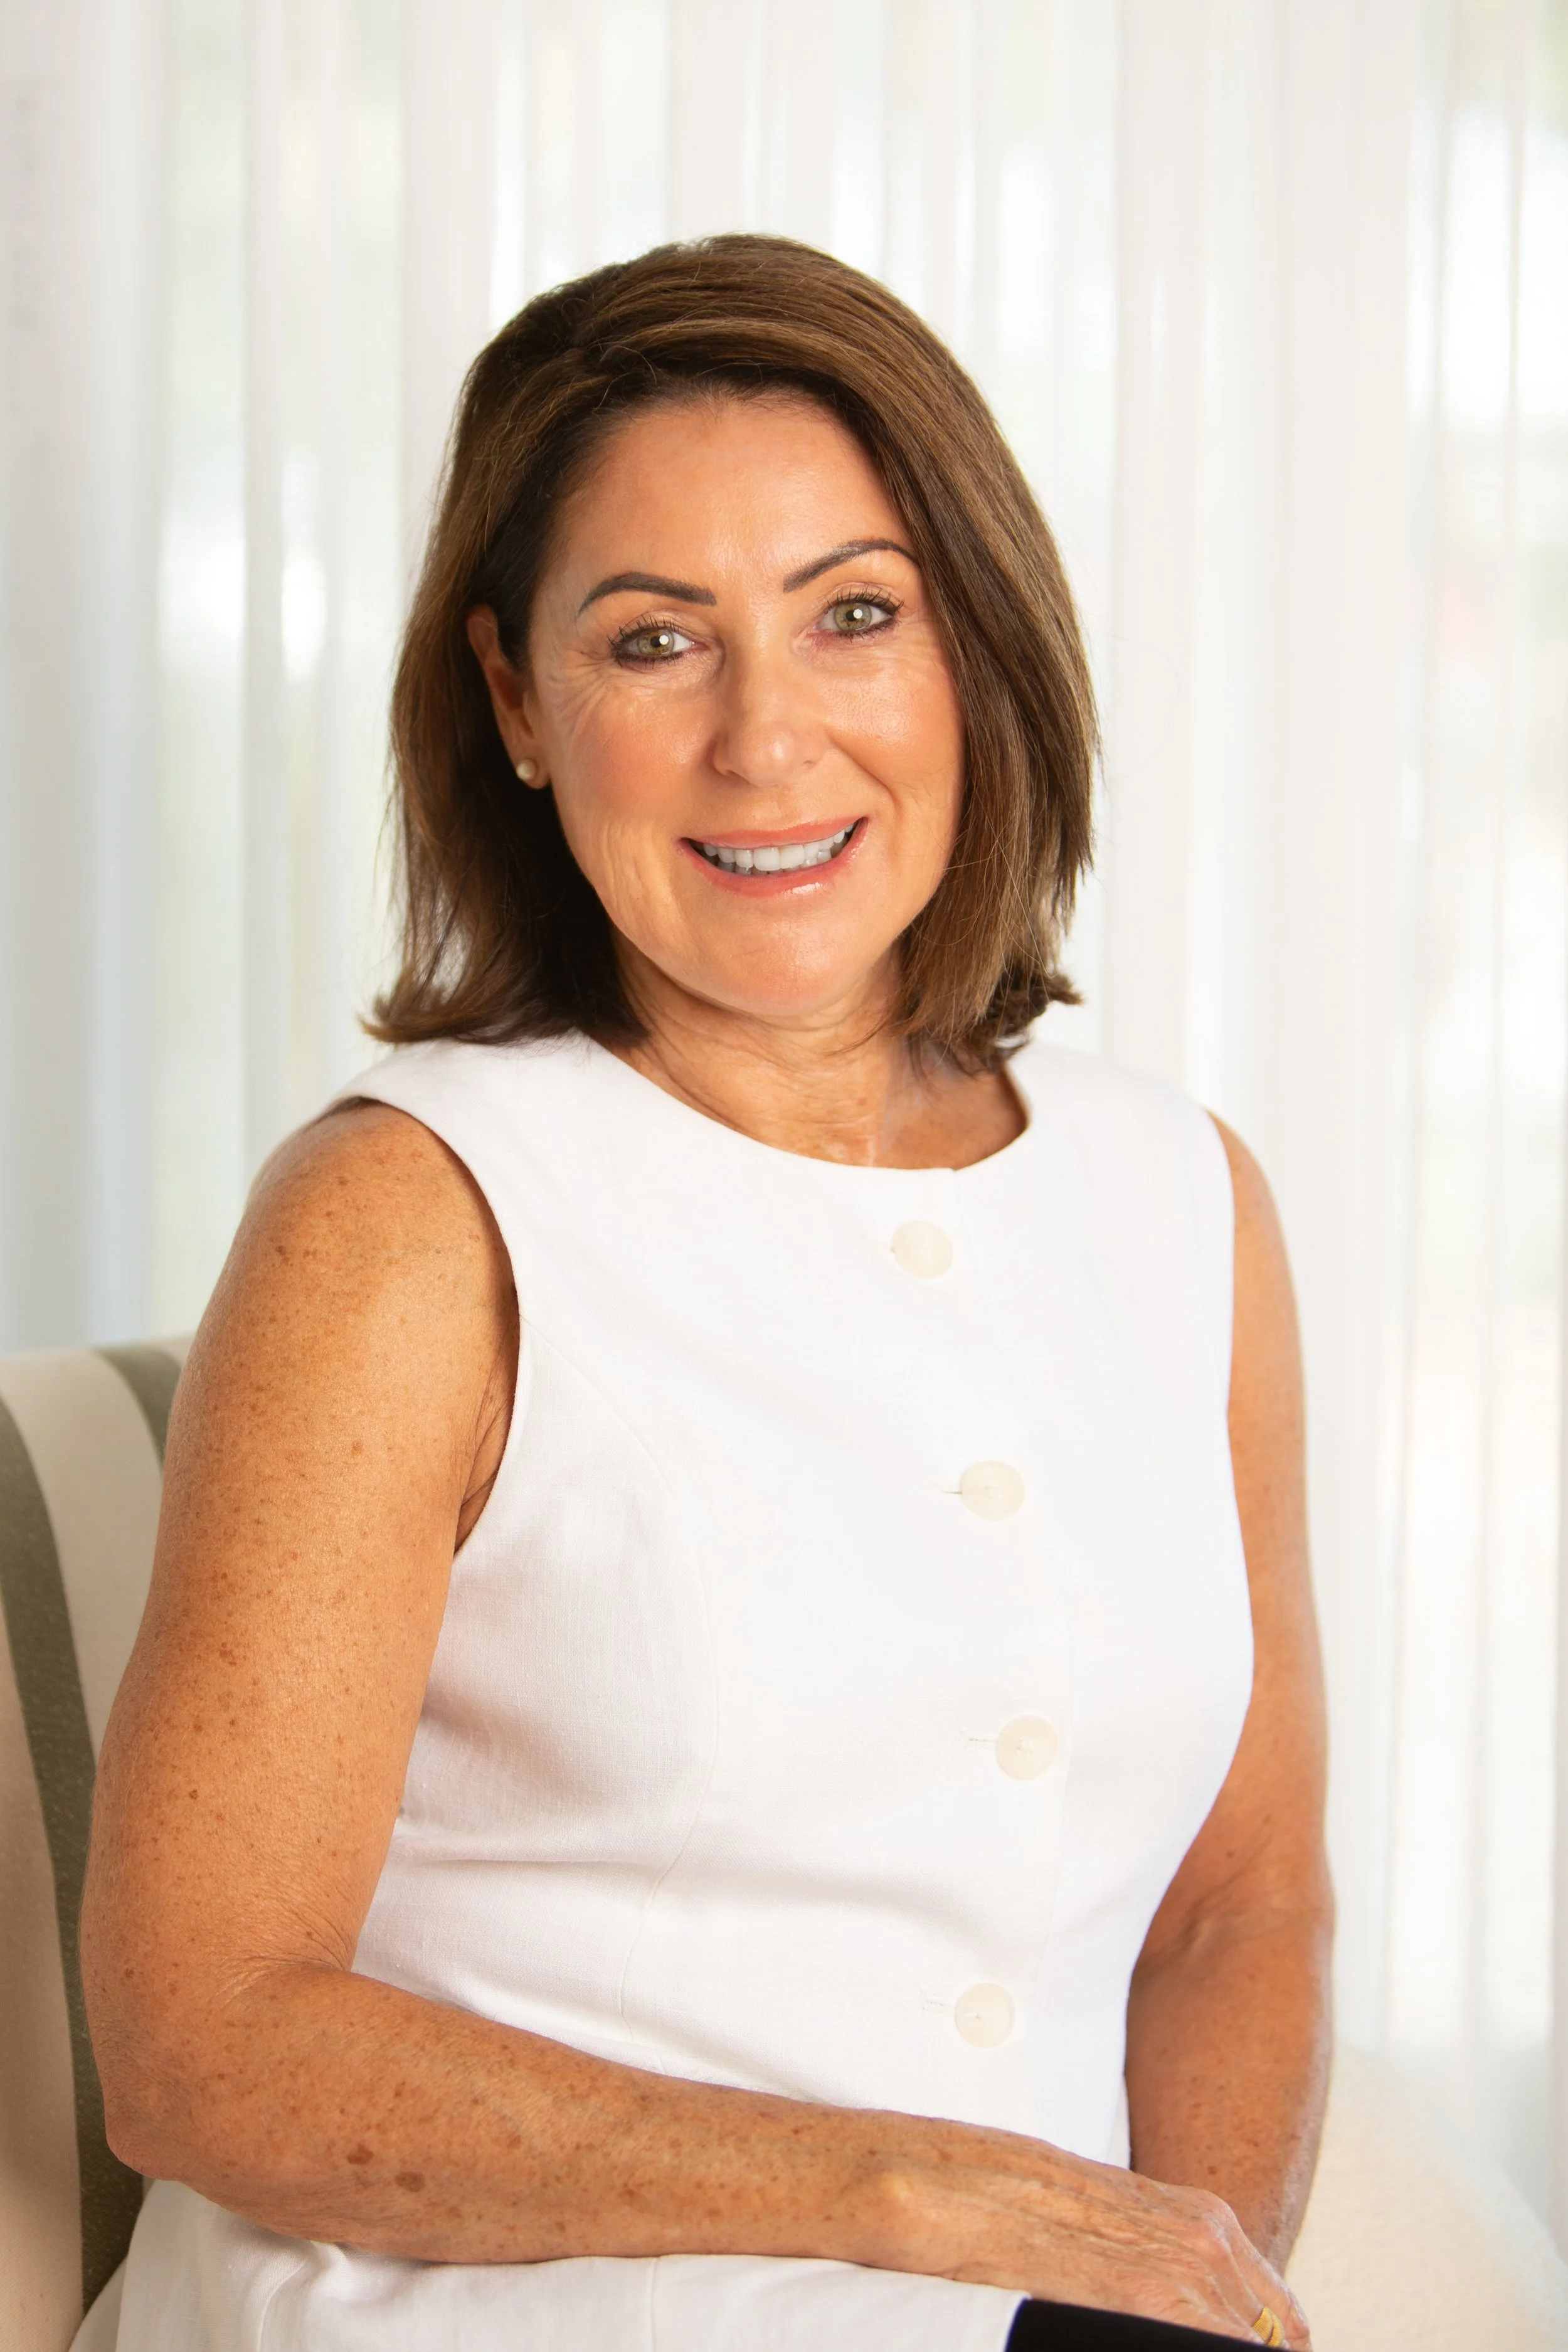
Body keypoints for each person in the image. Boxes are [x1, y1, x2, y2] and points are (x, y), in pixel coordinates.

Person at [82, 235, 1332, 2352]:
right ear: (516, 705)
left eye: (856, 614)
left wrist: (1179, 2284)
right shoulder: (407, 1217)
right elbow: (202, 2040)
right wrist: (904, 2187)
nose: (769, 738)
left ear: (975, 654)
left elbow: (1239, 1899)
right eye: (655, 641)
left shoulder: (1176, 1197)